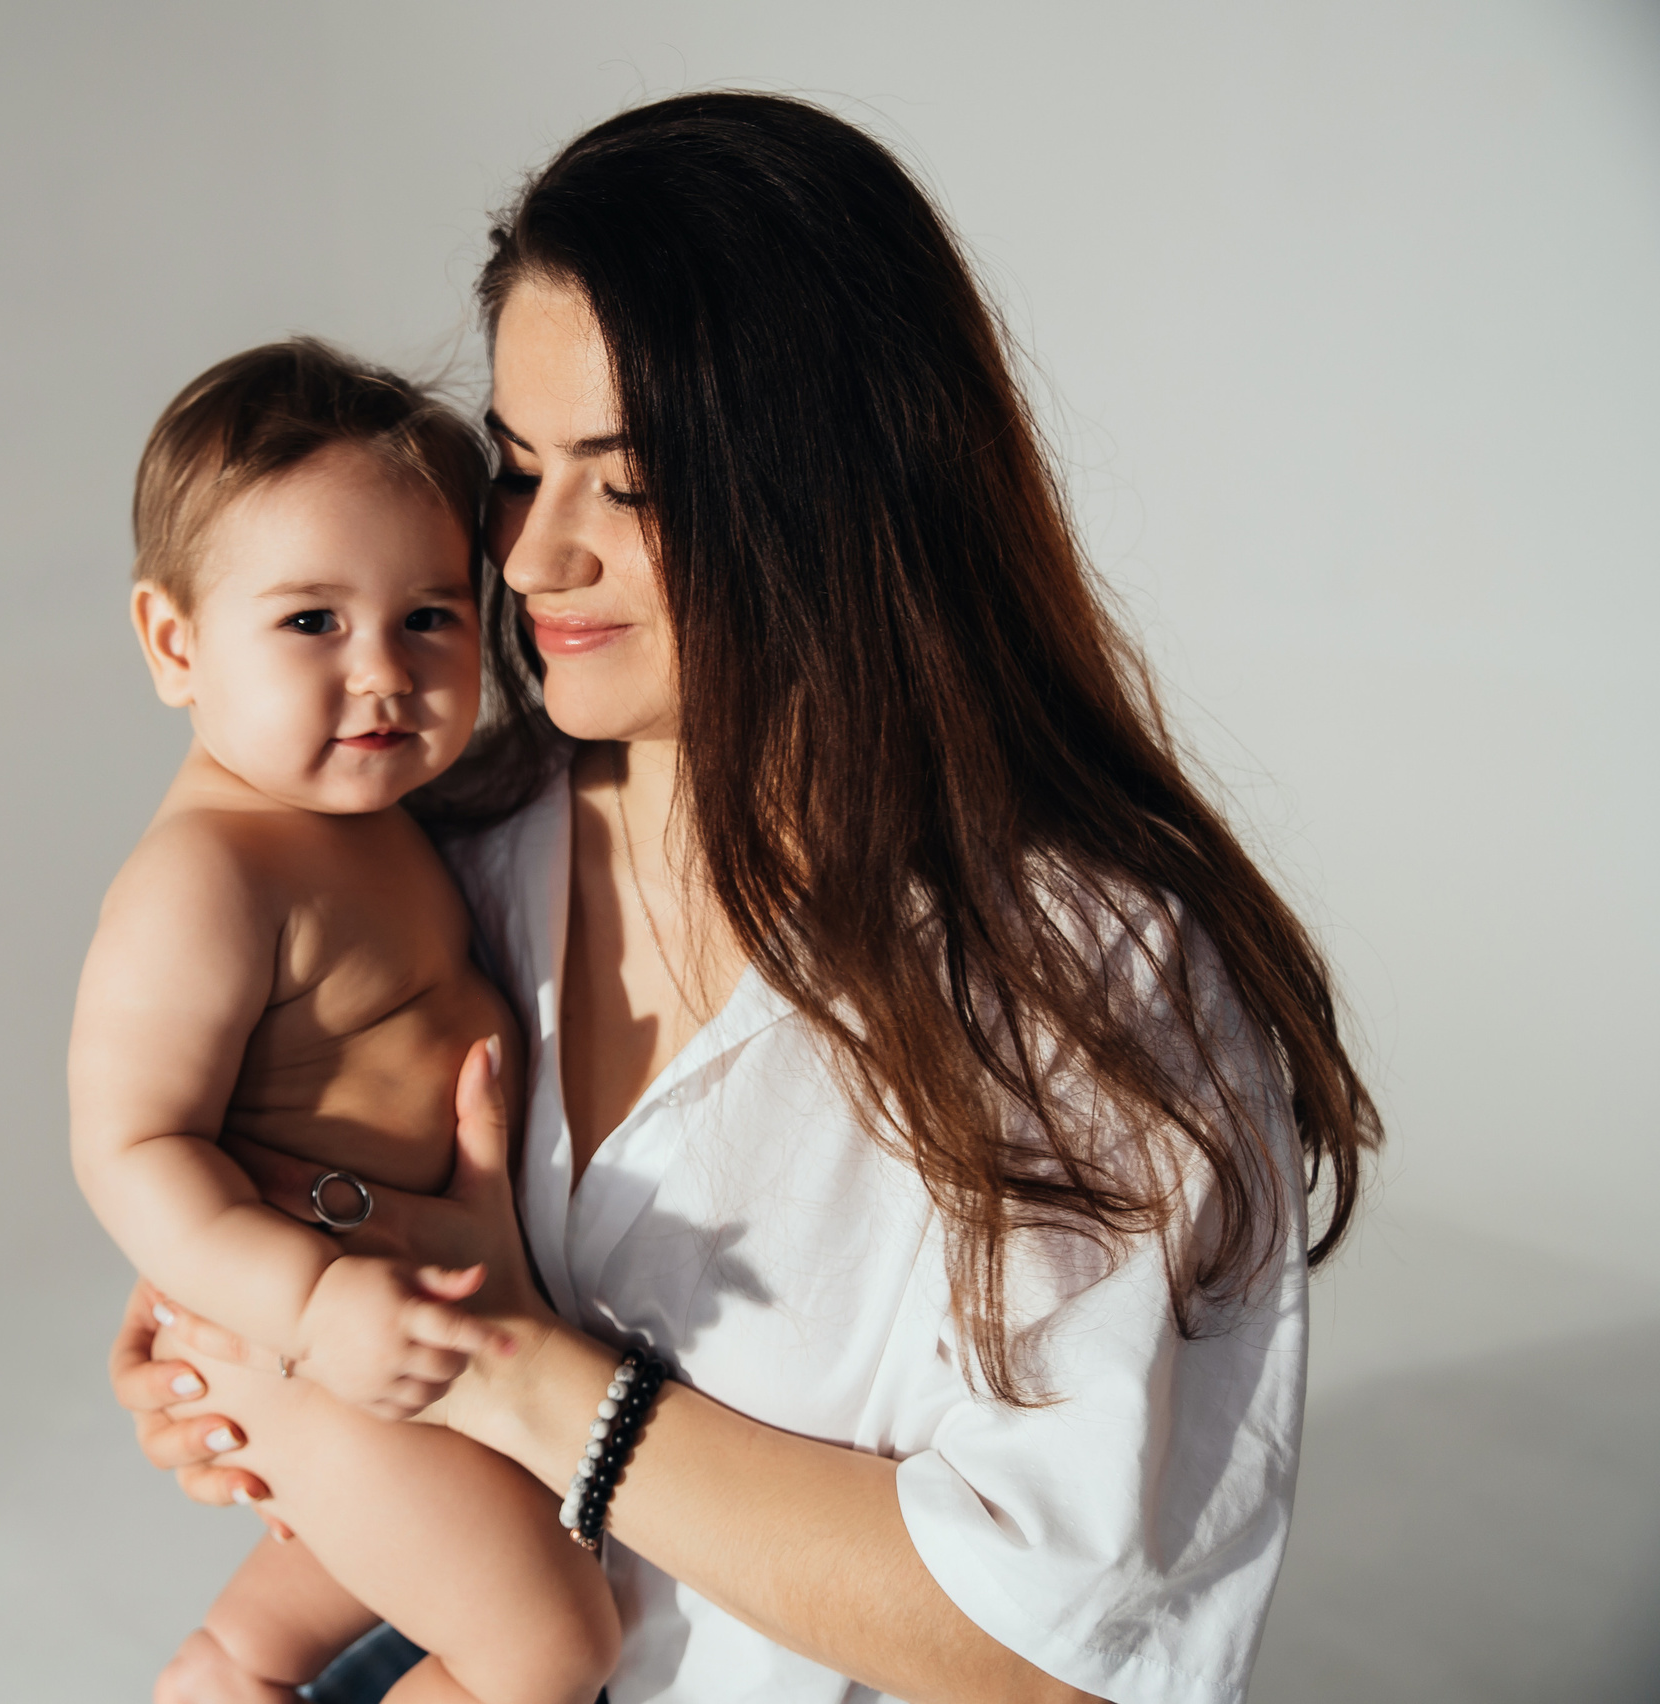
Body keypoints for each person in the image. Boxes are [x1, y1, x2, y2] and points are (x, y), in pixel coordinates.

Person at [112, 92, 1382, 1704]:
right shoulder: (451, 844)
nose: (530, 559)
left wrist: (506, 1367)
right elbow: (240, 1171)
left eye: (630, 483)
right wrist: (237, 1334)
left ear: (834, 492)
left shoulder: (1078, 977)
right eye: (516, 467)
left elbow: (1053, 1653)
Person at [71, 339, 620, 1704]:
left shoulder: (379, 815)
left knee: (314, 1613)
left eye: (428, 616)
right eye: (313, 622)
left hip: (395, 1323)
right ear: (176, 643)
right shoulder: (212, 873)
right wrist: (308, 1309)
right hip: (320, 1343)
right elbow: (132, 1147)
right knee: (547, 1650)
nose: (381, 672)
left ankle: (227, 1673)